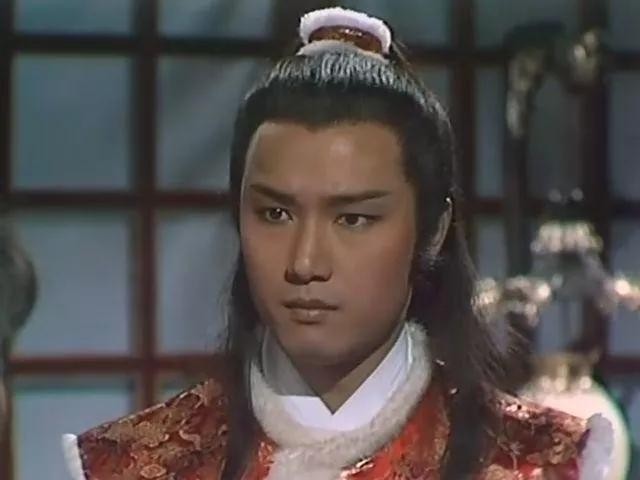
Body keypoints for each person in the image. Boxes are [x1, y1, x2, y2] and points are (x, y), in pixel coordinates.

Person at [63, 7, 612, 480]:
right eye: (275, 214)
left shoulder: (540, 463)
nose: (305, 262)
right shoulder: (134, 463)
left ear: (433, 229)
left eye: (353, 219)